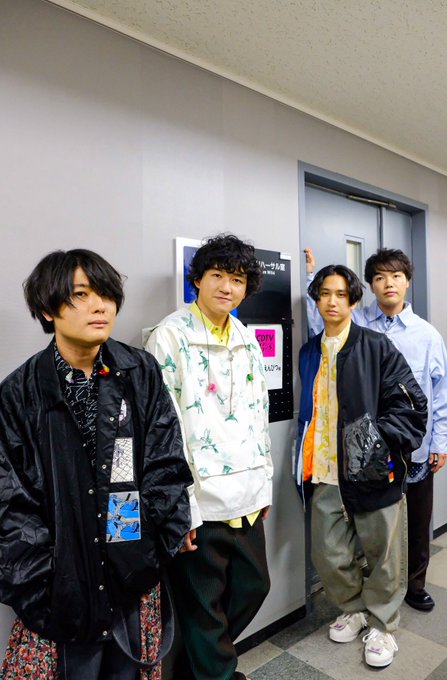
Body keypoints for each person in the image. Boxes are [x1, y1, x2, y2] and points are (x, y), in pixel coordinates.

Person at [0, 249, 194, 680]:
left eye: (105, 294)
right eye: (81, 295)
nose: (100, 305)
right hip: (58, 588)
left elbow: (165, 462)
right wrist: (42, 582)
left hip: (133, 572)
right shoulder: (19, 393)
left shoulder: (138, 370)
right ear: (48, 310)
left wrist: (148, 552)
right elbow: (10, 502)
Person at [146, 234, 272, 680]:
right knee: (203, 604)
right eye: (217, 275)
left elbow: (258, 414)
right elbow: (164, 431)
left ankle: (201, 668)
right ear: (197, 279)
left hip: (247, 496)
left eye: (237, 279)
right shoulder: (170, 336)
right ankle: (217, 673)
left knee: (254, 588)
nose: (226, 286)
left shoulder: (246, 337)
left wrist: (264, 483)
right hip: (200, 500)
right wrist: (182, 508)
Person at [305, 246, 447, 612]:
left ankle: (414, 585)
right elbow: (320, 329)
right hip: (362, 455)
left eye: (396, 276)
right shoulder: (356, 323)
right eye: (380, 277)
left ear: (407, 282)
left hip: (413, 448)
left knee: (415, 522)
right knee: (370, 529)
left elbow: (442, 393)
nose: (389, 284)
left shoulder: (427, 335)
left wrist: (440, 441)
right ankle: (368, 596)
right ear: (370, 286)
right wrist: (311, 278)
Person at [295, 264, 427, 668]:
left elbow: (411, 405)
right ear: (317, 300)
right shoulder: (308, 352)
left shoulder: (376, 346)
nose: (332, 302)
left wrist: (375, 443)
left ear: (354, 300)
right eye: (324, 294)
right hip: (324, 471)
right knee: (328, 554)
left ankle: (383, 625)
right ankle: (353, 608)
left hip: (372, 472)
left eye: (340, 294)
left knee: (383, 554)